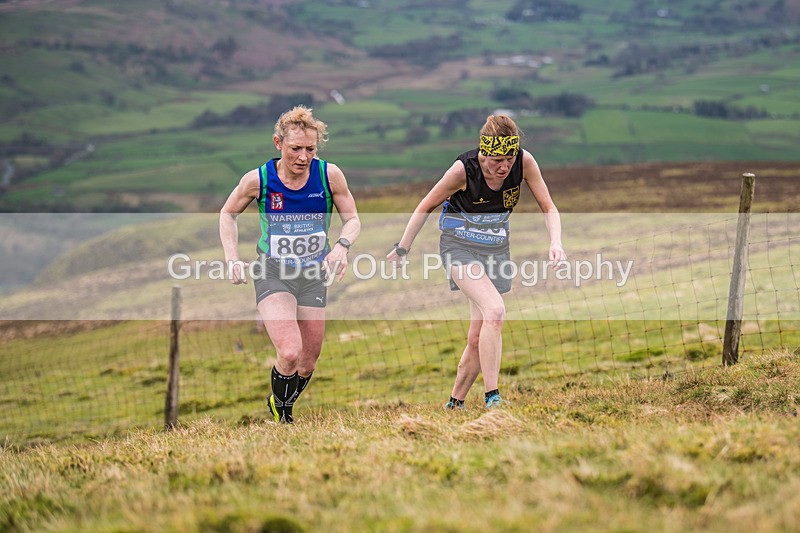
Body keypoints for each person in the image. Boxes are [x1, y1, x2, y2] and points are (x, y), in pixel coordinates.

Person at [387, 114, 565, 410]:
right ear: (484, 153)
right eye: (497, 160)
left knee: (477, 334)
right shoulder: (462, 170)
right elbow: (425, 206)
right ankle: (493, 398)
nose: (504, 167)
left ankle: (454, 403)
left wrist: (555, 242)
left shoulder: (525, 162)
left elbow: (549, 207)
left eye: (509, 159)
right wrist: (403, 248)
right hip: (459, 248)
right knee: (495, 311)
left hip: (496, 251)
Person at [220, 105, 360, 423]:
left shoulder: (329, 176)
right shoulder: (259, 180)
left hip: (313, 274)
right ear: (278, 143)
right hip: (274, 272)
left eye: (310, 149)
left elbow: (352, 220)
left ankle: (280, 401)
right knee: (289, 352)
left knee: (307, 363)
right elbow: (227, 214)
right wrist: (232, 259)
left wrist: (341, 247)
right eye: (296, 148)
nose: (303, 157)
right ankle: (284, 419)